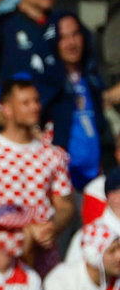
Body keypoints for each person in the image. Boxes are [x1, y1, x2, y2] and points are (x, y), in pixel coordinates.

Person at [0, 78, 75, 276]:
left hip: (44, 259)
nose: (35, 107)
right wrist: (22, 231)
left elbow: (65, 205)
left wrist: (53, 227)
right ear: (7, 109)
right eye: (25, 103)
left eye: (36, 101)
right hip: (0, 257)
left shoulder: (54, 154)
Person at [34, 13, 111, 191]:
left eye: (75, 34)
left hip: (95, 179)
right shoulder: (44, 82)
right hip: (61, 182)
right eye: (63, 38)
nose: (71, 43)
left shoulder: (92, 79)